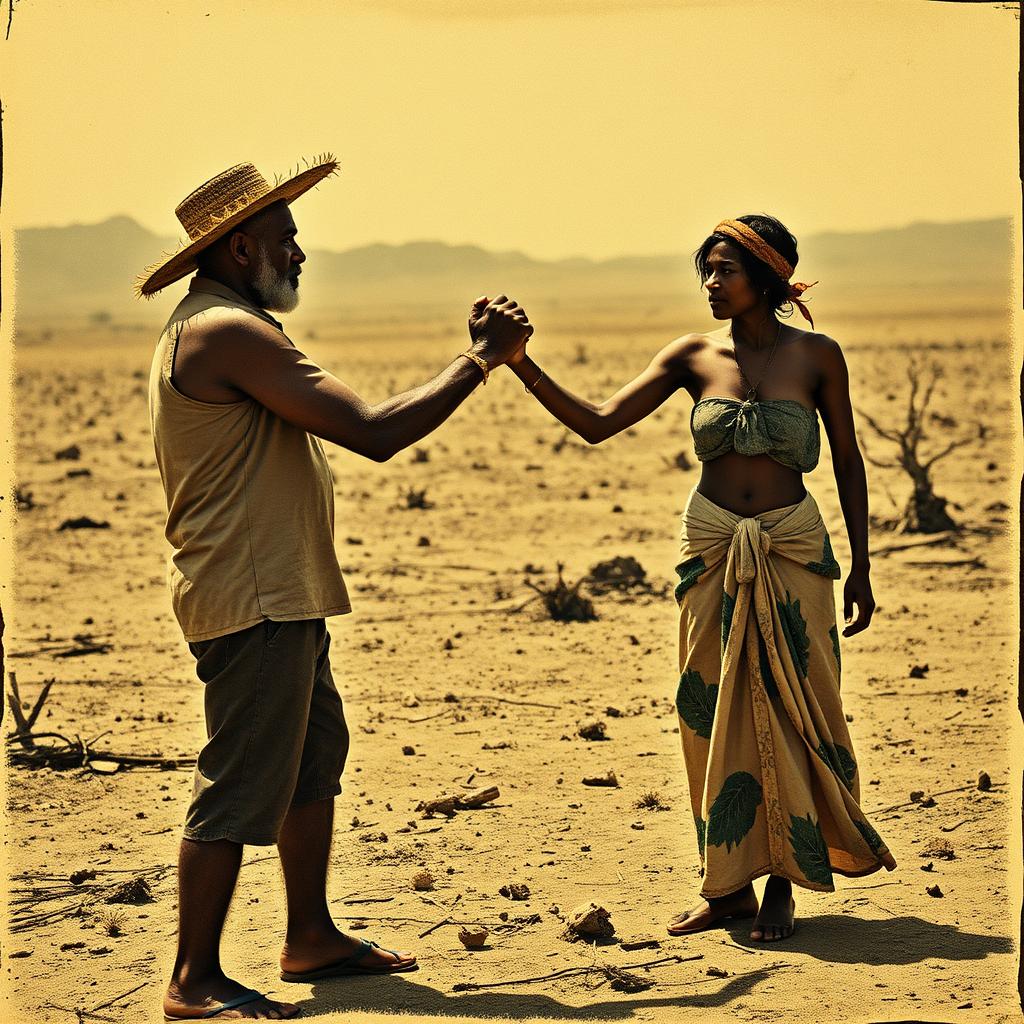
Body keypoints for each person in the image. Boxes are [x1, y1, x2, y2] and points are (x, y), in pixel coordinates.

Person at [139, 157, 532, 1021]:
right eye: (286, 240)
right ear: (241, 247)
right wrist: (481, 360)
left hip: (283, 593)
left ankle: (309, 936)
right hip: (253, 598)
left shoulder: (224, 322)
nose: (301, 253)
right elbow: (372, 431)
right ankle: (193, 980)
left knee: (312, 762)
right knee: (242, 779)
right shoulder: (225, 332)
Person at [497, 213, 897, 943]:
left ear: (769, 277)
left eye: (726, 271)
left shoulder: (817, 355)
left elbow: (847, 458)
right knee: (709, 714)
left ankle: (786, 881)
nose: (711, 284)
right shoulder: (691, 355)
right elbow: (596, 423)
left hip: (792, 548)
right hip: (711, 547)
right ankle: (728, 886)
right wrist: (521, 361)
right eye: (705, 272)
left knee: (797, 704)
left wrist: (863, 564)